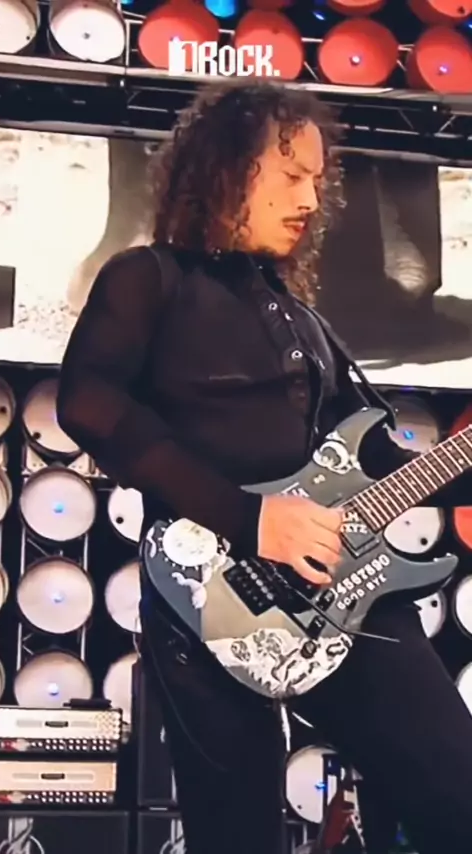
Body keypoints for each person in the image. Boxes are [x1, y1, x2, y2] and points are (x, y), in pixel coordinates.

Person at [56, 80, 472, 854]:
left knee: (458, 795)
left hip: (342, 588)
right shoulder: (150, 278)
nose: (311, 198)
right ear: (225, 168)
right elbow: (88, 403)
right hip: (206, 599)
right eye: (290, 174)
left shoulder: (303, 319)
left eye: (318, 178)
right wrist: (250, 519)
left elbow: (380, 456)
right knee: (235, 835)